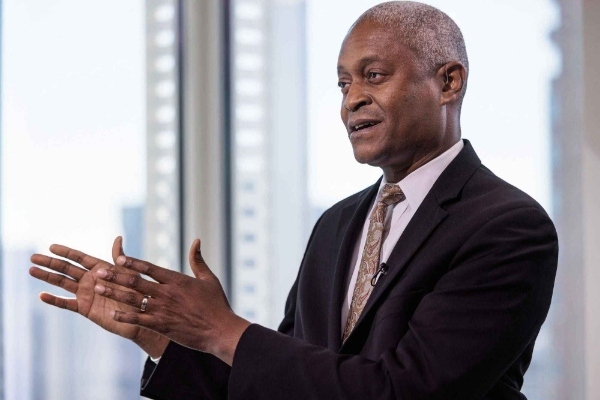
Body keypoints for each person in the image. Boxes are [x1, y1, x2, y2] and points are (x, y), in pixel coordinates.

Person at [29, 2, 558, 399]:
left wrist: (222, 329)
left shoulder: (508, 227)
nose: (352, 99)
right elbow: (284, 386)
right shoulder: (336, 224)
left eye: (374, 76)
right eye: (343, 84)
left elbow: (406, 390)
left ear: (449, 82)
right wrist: (159, 338)